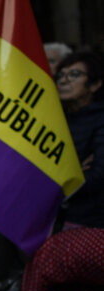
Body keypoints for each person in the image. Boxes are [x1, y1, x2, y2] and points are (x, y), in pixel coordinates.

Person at [55, 51, 104, 229]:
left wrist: (55, 182)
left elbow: (98, 175)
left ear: (95, 84)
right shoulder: (57, 117)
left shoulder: (100, 119)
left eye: (74, 74)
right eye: (60, 75)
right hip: (58, 216)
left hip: (90, 221)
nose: (64, 80)